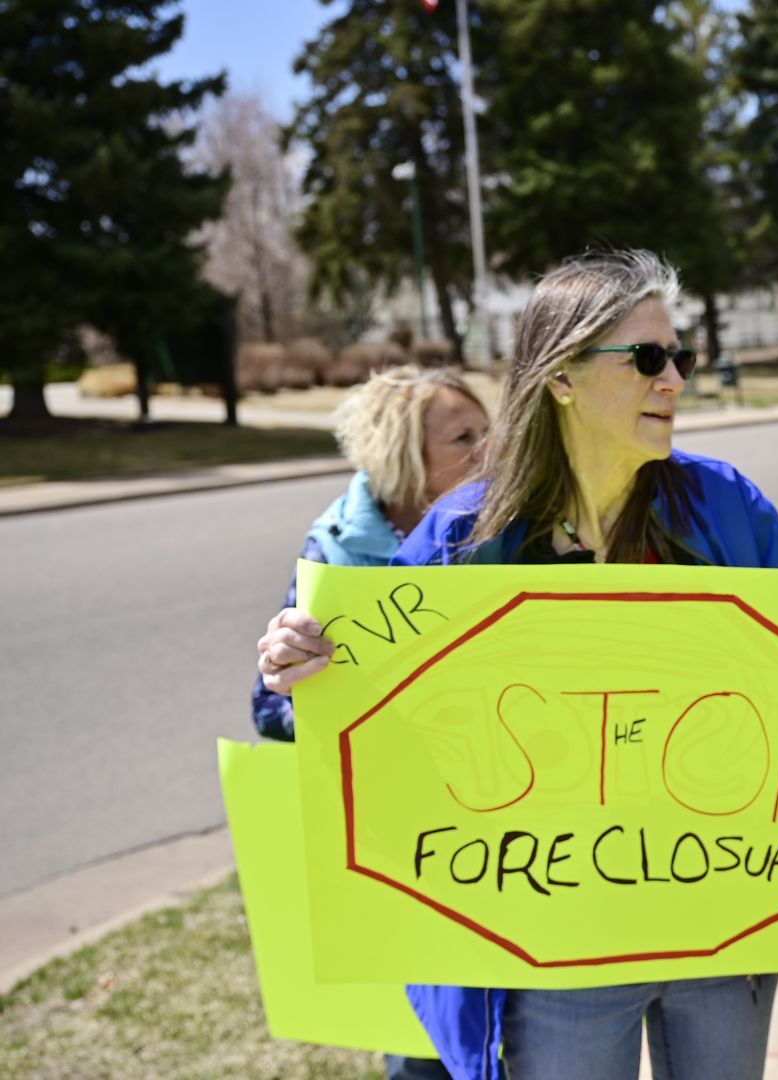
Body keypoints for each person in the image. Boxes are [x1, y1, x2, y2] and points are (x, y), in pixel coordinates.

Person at [256, 250, 778, 1080]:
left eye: (679, 357)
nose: (675, 379)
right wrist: (298, 672)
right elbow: (357, 708)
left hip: (723, 924)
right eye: (648, 358)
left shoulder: (724, 505)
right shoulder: (463, 539)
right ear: (564, 377)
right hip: (552, 948)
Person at [251, 364, 486, 1080]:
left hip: (505, 819)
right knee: (425, 1046)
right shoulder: (334, 553)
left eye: (491, 431)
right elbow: (269, 710)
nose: (491, 451)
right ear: (405, 461)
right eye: (465, 438)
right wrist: (291, 674)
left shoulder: (512, 529)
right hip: (403, 839)